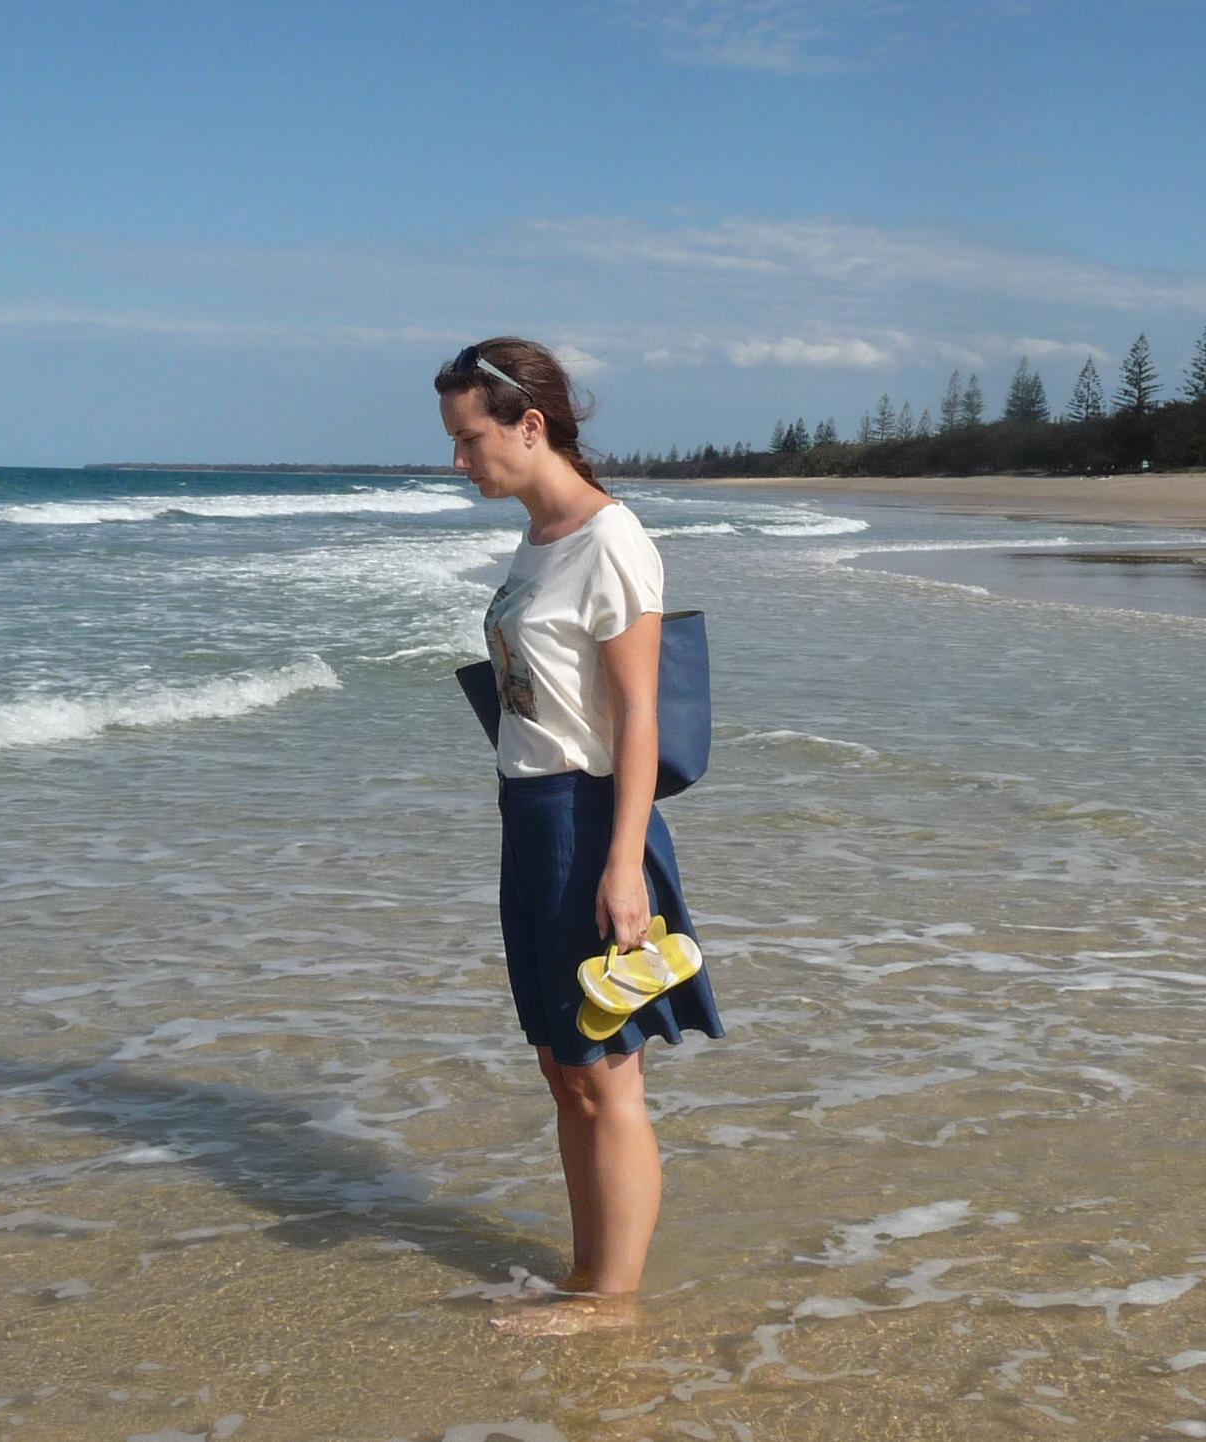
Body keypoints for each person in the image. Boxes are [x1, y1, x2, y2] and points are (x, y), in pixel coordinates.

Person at [436, 338, 725, 1335]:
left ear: (531, 424)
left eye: (470, 439)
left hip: (585, 818)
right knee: (564, 1065)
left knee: (605, 1073)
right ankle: (585, 1272)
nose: (459, 461)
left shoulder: (610, 539)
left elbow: (638, 715)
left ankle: (610, 1300)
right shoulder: (536, 540)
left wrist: (620, 865)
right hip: (529, 815)